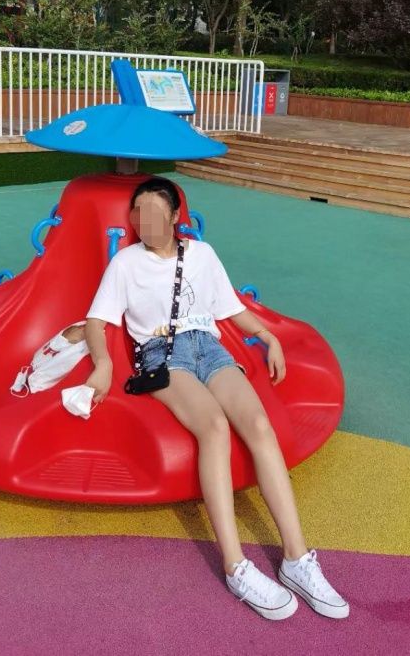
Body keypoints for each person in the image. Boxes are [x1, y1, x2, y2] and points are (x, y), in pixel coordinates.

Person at [84, 176, 349, 622]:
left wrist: (268, 336)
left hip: (210, 348)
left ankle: (297, 558)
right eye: (137, 212)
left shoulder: (202, 254)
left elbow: (230, 307)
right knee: (214, 427)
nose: (144, 221)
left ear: (174, 216)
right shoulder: (126, 263)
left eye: (154, 212)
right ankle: (235, 565)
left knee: (260, 426)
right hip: (162, 354)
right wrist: (104, 364)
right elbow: (97, 321)